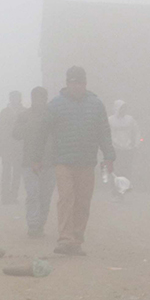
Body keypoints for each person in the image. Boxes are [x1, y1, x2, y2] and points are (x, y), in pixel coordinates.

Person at [47, 65, 114, 255]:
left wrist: (109, 156)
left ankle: (76, 239)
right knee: (66, 198)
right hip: (63, 161)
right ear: (67, 83)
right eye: (73, 83)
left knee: (83, 201)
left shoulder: (96, 105)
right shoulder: (55, 105)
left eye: (80, 83)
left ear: (85, 84)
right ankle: (65, 238)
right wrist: (39, 158)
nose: (77, 87)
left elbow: (104, 132)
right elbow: (45, 133)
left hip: (86, 161)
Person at [15, 85, 54, 237]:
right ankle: (33, 225)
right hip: (29, 162)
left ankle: (41, 224)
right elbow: (16, 134)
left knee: (45, 196)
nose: (39, 101)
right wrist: (23, 124)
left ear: (45, 99)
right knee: (32, 194)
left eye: (42, 98)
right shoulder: (24, 116)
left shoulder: (52, 116)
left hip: (49, 162)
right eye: (36, 98)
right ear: (32, 99)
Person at [107, 99, 140, 197]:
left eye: (125, 108)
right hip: (115, 149)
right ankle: (115, 192)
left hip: (128, 149)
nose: (123, 110)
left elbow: (137, 131)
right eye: (121, 108)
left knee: (126, 170)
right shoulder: (110, 120)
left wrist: (136, 144)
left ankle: (123, 191)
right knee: (115, 171)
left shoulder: (130, 119)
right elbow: (106, 134)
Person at [0, 91, 23, 205]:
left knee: (17, 173)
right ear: (10, 98)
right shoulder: (4, 112)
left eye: (17, 97)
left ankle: (13, 196)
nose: (15, 99)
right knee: (6, 173)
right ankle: (5, 196)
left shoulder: (24, 112)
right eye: (13, 97)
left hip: (20, 147)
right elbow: (0, 130)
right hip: (7, 147)